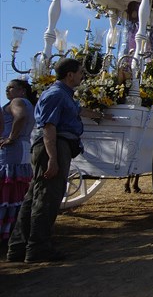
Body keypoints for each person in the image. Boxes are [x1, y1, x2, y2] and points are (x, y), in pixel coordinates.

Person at [7, 58, 109, 263]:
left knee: (34, 196)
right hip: (53, 147)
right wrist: (53, 158)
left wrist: (99, 114)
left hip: (54, 146)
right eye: (80, 72)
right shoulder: (55, 94)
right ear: (70, 75)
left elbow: (77, 111)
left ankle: (18, 247)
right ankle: (38, 247)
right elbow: (49, 127)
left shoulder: (63, 95)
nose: (82, 75)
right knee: (47, 198)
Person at [0, 80, 36, 244]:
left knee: (7, 184)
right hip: (23, 146)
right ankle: (14, 227)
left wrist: (10, 137)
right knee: (16, 185)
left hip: (12, 148)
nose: (7, 91)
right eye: (6, 88)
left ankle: (6, 229)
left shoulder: (17, 102)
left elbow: (20, 116)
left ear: (22, 90)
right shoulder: (29, 104)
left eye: (11, 88)